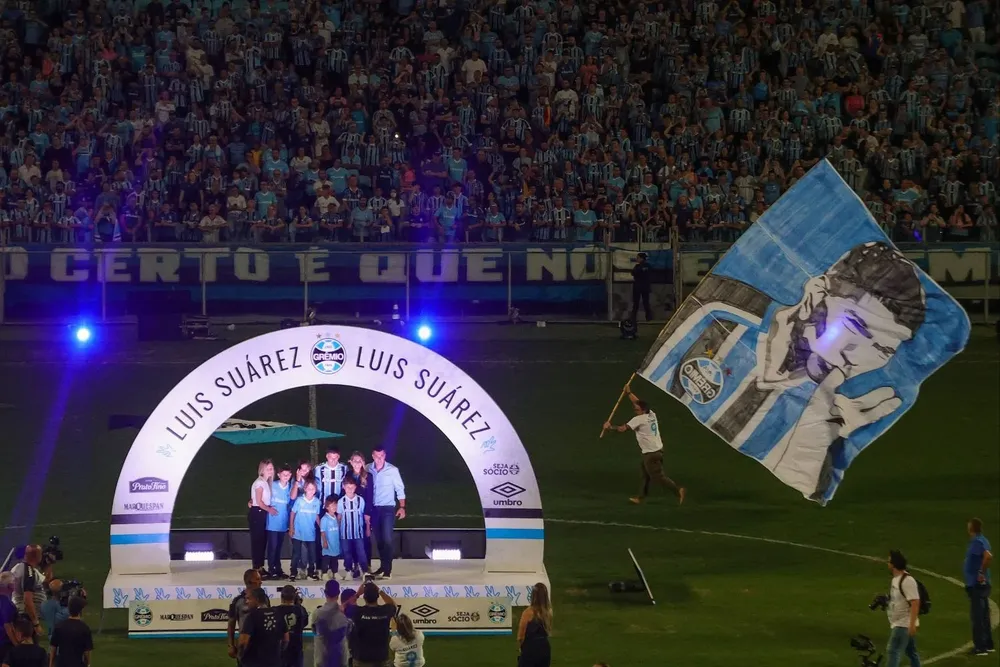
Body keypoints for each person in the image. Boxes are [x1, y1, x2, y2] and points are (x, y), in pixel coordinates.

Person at [638, 242, 929, 502]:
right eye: (853, 326)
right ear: (816, 294)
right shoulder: (716, 311)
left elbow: (814, 488)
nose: (852, 357)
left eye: (882, 350)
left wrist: (819, 446)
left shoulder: (824, 406)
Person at [604, 388, 686, 505]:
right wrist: (629, 393)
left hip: (651, 454)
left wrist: (609, 427)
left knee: (658, 477)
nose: (634, 410)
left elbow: (622, 429)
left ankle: (678, 490)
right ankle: (640, 498)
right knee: (645, 474)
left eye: (636, 409)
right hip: (657, 450)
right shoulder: (651, 414)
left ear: (642, 410)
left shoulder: (638, 419)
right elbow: (637, 402)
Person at [367, 448, 406, 579]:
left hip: (387, 508)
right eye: (377, 456)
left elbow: (399, 488)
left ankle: (388, 570)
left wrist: (402, 507)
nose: (379, 459)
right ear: (373, 456)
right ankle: (383, 567)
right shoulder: (368, 468)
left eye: (381, 456)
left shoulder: (392, 470)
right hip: (374, 509)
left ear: (385, 456)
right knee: (379, 539)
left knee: (387, 539)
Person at [964, 518, 994, 656]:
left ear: (971, 528)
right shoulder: (983, 540)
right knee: (984, 615)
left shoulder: (977, 542)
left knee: (978, 616)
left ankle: (980, 647)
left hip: (977, 584)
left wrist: (980, 572)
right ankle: (988, 644)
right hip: (982, 583)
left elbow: (988, 556)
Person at [885, 550, 921, 667]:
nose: (887, 564)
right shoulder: (896, 579)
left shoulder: (907, 581)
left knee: (892, 650)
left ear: (894, 564)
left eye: (889, 561)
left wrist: (912, 625)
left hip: (903, 624)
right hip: (900, 623)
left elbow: (915, 602)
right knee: (911, 652)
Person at [350, 582, 397, 667]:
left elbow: (347, 606)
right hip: (382, 658)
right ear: (378, 596)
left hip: (362, 659)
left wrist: (357, 594)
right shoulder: (385, 610)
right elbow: (393, 604)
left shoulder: (358, 612)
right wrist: (379, 590)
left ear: (364, 597)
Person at [239, 588, 288, 667]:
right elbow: (286, 639)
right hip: (275, 662)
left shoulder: (252, 616)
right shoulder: (278, 613)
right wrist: (279, 653)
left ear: (257, 599)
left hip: (255, 662)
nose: (246, 602)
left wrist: (241, 656)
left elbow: (243, 642)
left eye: (248, 599)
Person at [312, 580, 351, 667]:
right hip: (340, 658)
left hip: (322, 659)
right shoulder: (343, 614)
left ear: (325, 592)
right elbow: (348, 630)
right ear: (338, 593)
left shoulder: (316, 613)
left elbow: (314, 631)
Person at [338, 478, 371, 580]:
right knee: (347, 553)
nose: (350, 489)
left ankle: (365, 571)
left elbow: (365, 517)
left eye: (352, 487)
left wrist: (368, 528)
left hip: (358, 533)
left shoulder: (360, 500)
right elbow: (339, 517)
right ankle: (348, 570)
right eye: (347, 487)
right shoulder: (341, 501)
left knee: (361, 552)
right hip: (345, 533)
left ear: (355, 488)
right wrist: (337, 531)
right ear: (343, 487)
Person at [345, 453, 375, 565]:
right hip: (351, 511)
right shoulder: (348, 475)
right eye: (355, 461)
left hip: (363, 512)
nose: (357, 463)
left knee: (365, 538)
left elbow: (370, 496)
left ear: (363, 462)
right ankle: (355, 564)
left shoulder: (368, 476)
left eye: (359, 461)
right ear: (351, 462)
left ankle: (367, 564)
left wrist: (367, 512)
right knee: (352, 538)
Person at [250, 460, 279, 576]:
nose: (270, 471)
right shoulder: (260, 483)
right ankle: (257, 568)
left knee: (262, 541)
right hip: (258, 513)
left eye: (271, 469)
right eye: (268, 469)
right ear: (262, 470)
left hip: (262, 513)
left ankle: (260, 567)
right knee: (257, 542)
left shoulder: (266, 483)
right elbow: (259, 501)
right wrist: (269, 509)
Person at [228, 569, 263, 661]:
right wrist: (231, 645)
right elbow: (231, 623)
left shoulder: (264, 598)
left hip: (262, 645)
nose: (261, 582)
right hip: (245, 644)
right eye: (257, 579)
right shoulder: (237, 601)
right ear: (249, 581)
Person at [289, 481, 321, 581]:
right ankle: (293, 573)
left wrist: (322, 527)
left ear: (315, 490)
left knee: (312, 554)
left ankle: (311, 573)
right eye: (309, 488)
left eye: (313, 489)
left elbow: (316, 516)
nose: (311, 491)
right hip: (298, 532)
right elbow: (293, 513)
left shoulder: (317, 502)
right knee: (296, 554)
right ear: (305, 489)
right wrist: (291, 527)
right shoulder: (299, 500)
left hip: (310, 533)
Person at [267, 464, 294, 580]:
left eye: (288, 475)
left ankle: (278, 569)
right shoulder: (272, 485)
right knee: (272, 547)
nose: (286, 477)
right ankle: (271, 569)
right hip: (272, 523)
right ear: (279, 475)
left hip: (283, 523)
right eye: (284, 475)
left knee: (278, 548)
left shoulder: (290, 488)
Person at [10, 547, 44, 638]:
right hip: (26, 616)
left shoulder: (18, 567)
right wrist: (36, 624)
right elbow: (27, 600)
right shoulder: (29, 573)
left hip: (21, 613)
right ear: (38, 556)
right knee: (29, 644)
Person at [48, 596, 92, 667]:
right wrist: (88, 664)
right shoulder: (84, 628)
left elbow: (53, 649)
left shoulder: (59, 627)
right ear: (80, 610)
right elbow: (87, 652)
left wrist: (51, 664)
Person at [517, 583, 552, 667]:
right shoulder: (548, 612)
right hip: (545, 648)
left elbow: (521, 636)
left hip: (530, 649)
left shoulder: (528, 612)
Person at [276, 586, 308, 667]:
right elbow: (305, 623)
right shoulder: (301, 610)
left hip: (280, 650)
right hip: (296, 650)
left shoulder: (275, 610)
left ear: (281, 597)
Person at [319, 498, 342, 580]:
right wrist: (324, 542)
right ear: (327, 507)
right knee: (326, 558)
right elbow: (323, 531)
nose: (334, 507)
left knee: (335, 559)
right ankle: (324, 573)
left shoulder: (336, 517)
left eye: (335, 505)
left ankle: (335, 572)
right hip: (328, 543)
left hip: (335, 542)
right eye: (332, 506)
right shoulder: (324, 519)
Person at [630, 252, 653, 322]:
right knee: (644, 303)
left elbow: (634, 272)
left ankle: (634, 318)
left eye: (638, 258)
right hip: (644, 286)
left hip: (639, 286)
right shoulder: (645, 266)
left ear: (642, 258)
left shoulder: (641, 266)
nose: (637, 259)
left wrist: (640, 270)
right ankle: (648, 318)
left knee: (638, 303)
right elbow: (633, 273)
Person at [1, 573, 17, 665]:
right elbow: (8, 626)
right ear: (10, 585)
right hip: (4, 643)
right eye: (14, 582)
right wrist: (17, 645)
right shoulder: (6, 603)